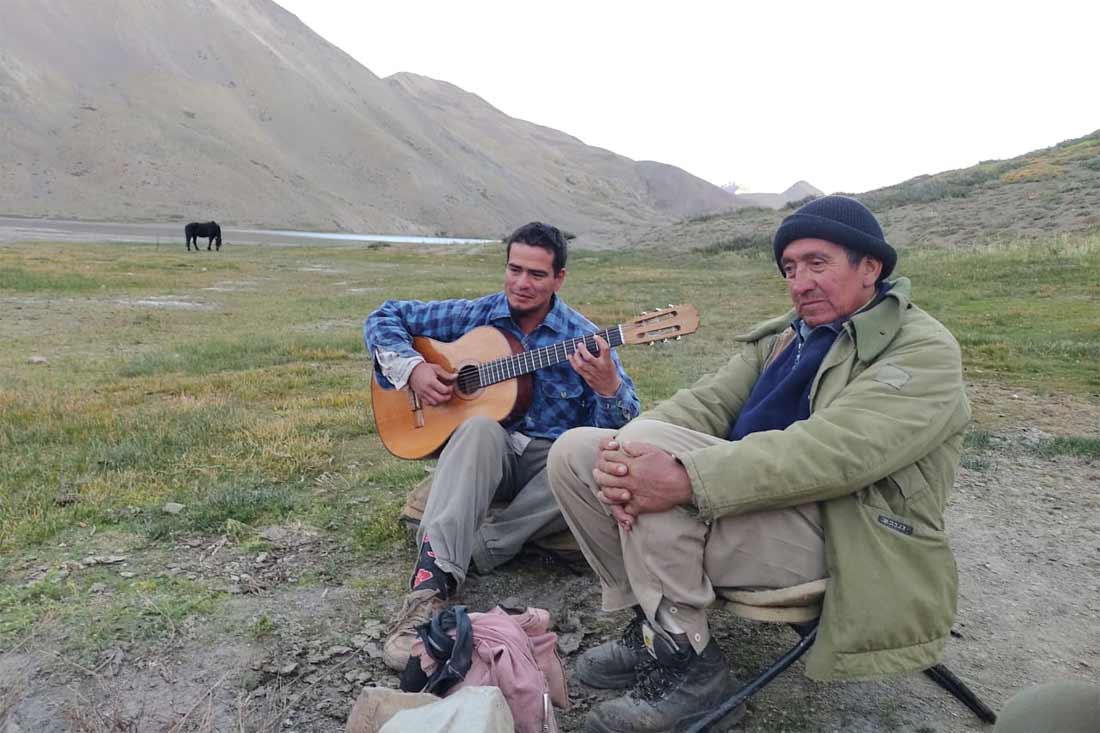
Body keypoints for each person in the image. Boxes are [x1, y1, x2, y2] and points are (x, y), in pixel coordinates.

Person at [547, 195, 971, 732]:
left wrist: (685, 478)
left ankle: (696, 676)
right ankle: (660, 632)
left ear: (871, 266)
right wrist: (620, 461)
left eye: (818, 263)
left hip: (846, 533)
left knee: (657, 464)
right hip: (750, 505)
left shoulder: (920, 349)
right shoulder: (785, 336)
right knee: (575, 451)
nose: (800, 282)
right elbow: (704, 402)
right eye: (790, 269)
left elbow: (833, 452)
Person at [364, 221, 640, 673]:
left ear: (559, 279)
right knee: (478, 429)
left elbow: (621, 428)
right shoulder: (478, 315)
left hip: (544, 475)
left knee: (588, 450)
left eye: (536, 274)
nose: (522, 283)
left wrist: (609, 388)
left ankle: (484, 547)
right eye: (515, 270)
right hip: (484, 459)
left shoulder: (582, 336)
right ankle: (430, 587)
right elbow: (383, 316)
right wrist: (414, 370)